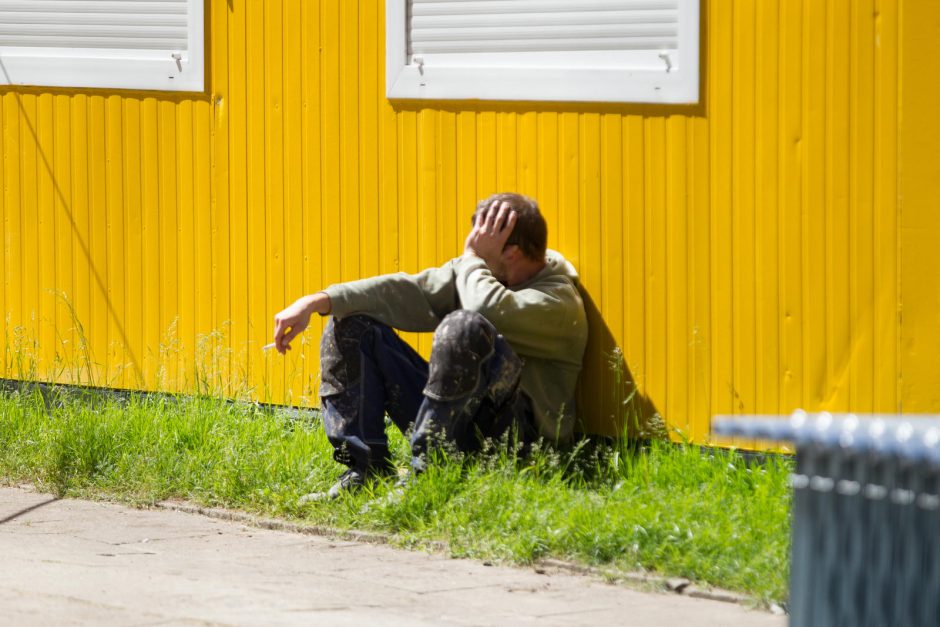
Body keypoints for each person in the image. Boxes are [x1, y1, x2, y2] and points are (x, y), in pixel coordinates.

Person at [272, 192, 588, 498]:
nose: (472, 252)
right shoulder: (485, 275)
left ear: (513, 253)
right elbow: (410, 291)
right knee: (351, 322)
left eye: (482, 246)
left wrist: (473, 260)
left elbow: (485, 310)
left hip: (518, 447)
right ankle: (364, 472)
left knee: (464, 326)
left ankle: (426, 477)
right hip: (458, 428)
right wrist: (318, 301)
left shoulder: (557, 302)